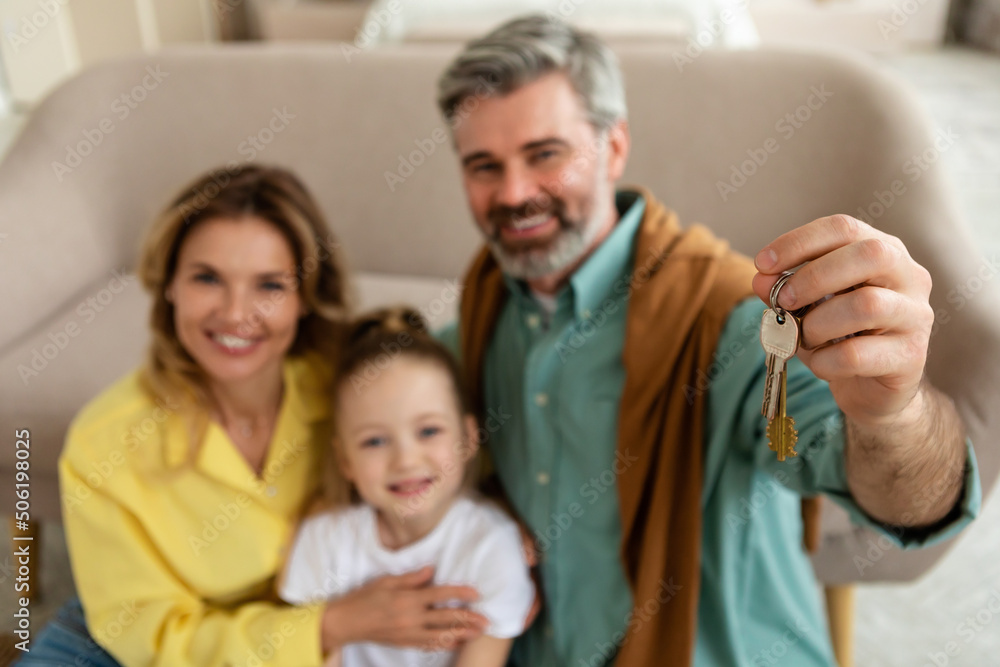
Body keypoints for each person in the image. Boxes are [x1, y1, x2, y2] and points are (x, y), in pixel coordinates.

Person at [434, 15, 983, 667]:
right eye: (483, 165)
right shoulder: (469, 329)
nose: (516, 192)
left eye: (545, 154)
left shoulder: (733, 321)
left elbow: (908, 503)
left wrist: (893, 414)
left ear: (613, 147)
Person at [23, 165, 489, 666]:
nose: (235, 313)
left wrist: (506, 514)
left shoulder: (355, 392)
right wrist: (331, 624)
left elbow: (443, 440)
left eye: (269, 285)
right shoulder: (106, 440)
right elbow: (152, 640)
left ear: (305, 297)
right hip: (142, 647)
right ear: (169, 287)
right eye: (207, 278)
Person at [278, 307, 535, 667]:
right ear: (345, 460)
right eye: (374, 441)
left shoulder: (492, 546)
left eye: (428, 431)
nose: (405, 461)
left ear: (468, 437)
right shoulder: (324, 541)